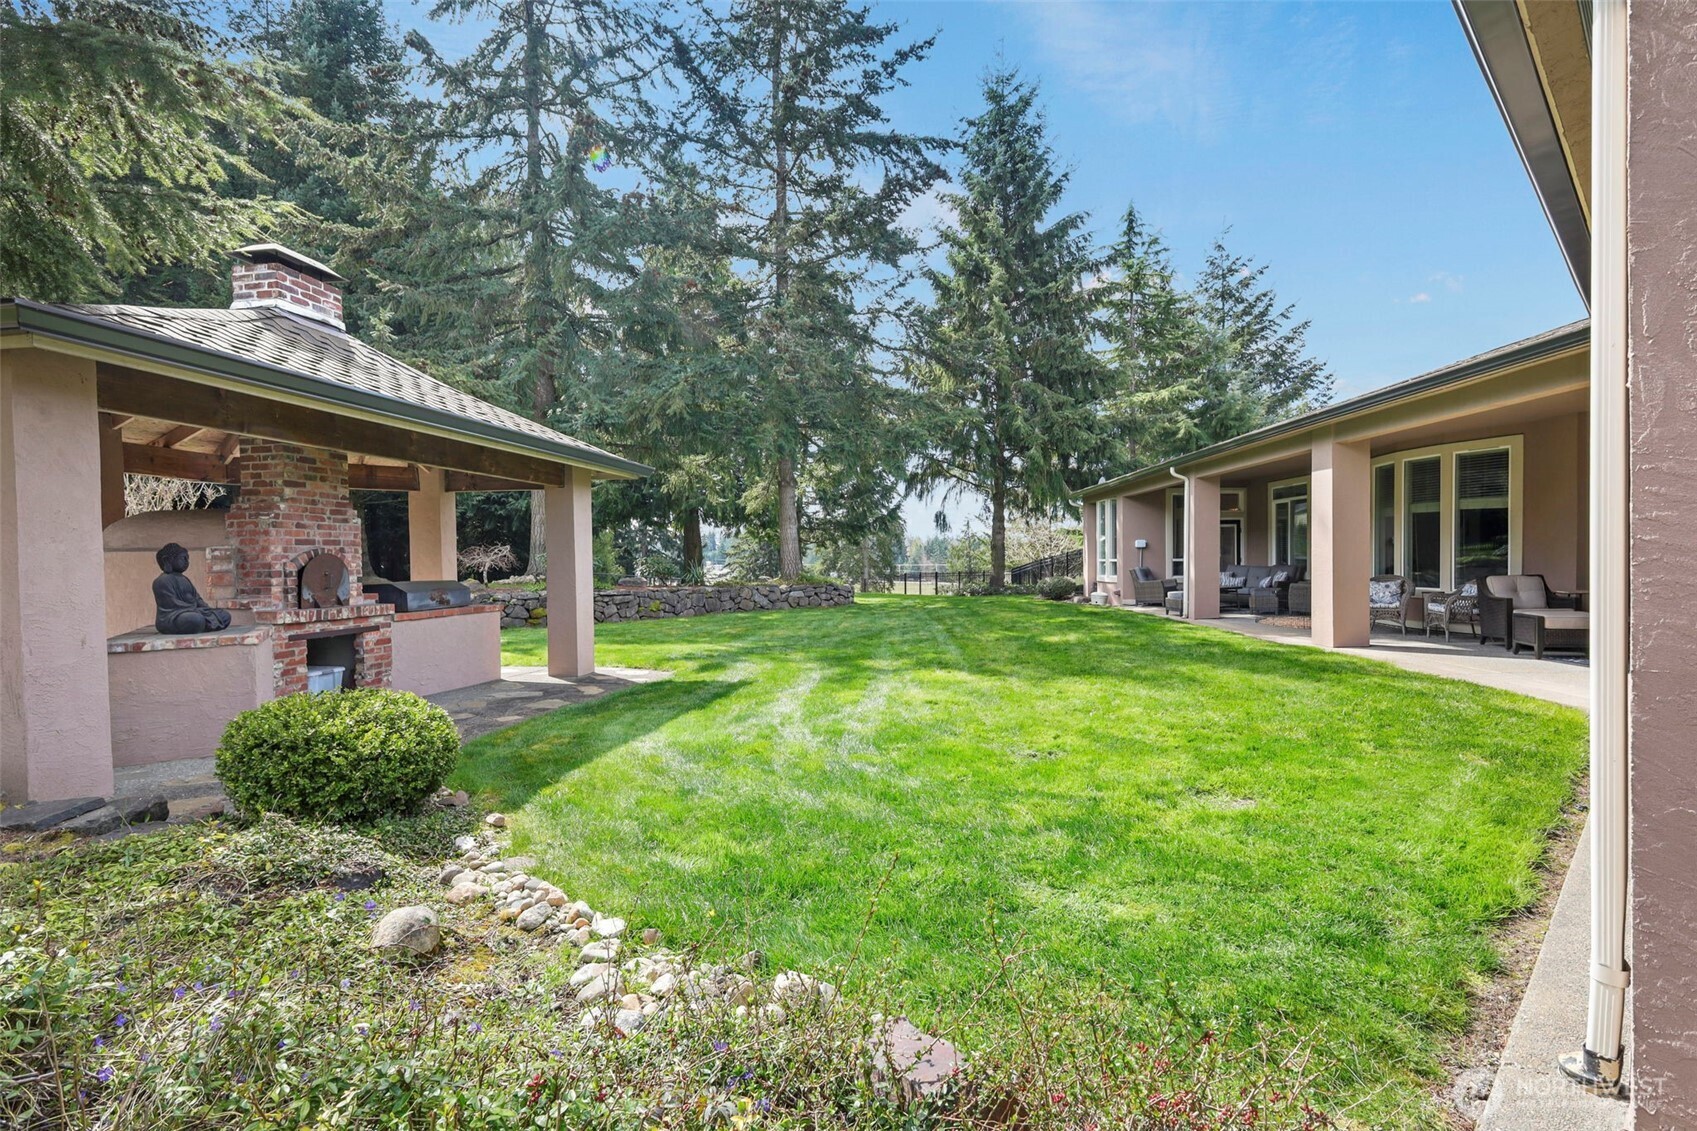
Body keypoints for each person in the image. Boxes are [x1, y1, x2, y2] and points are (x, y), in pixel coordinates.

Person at [152, 542, 232, 634]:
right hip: (172, 617)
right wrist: (197, 610)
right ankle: (203, 624)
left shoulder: (185, 579)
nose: (186, 561)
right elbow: (173, 605)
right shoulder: (162, 581)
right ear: (168, 560)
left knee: (225, 616)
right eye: (183, 558)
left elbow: (197, 599)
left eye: (187, 558)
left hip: (193, 611)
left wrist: (206, 609)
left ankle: (204, 624)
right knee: (195, 619)